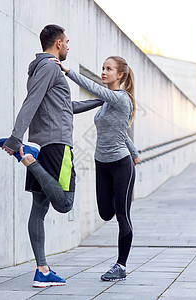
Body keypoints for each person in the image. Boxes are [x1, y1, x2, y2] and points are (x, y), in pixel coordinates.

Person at [1, 24, 102, 287]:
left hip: (41, 142)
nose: (68, 46)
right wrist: (15, 138)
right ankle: (28, 159)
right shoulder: (50, 67)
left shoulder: (41, 70)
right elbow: (31, 102)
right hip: (56, 146)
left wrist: (100, 100)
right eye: (67, 42)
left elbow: (65, 106)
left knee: (39, 208)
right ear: (57, 43)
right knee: (65, 202)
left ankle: (42, 271)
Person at [53, 56, 141, 281]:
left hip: (121, 165)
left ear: (120, 75)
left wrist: (69, 71)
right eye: (102, 68)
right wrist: (135, 150)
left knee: (122, 215)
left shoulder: (120, 98)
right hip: (101, 163)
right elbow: (120, 129)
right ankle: (120, 202)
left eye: (108, 69)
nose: (103, 72)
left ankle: (121, 265)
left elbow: (92, 88)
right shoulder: (108, 102)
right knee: (105, 212)